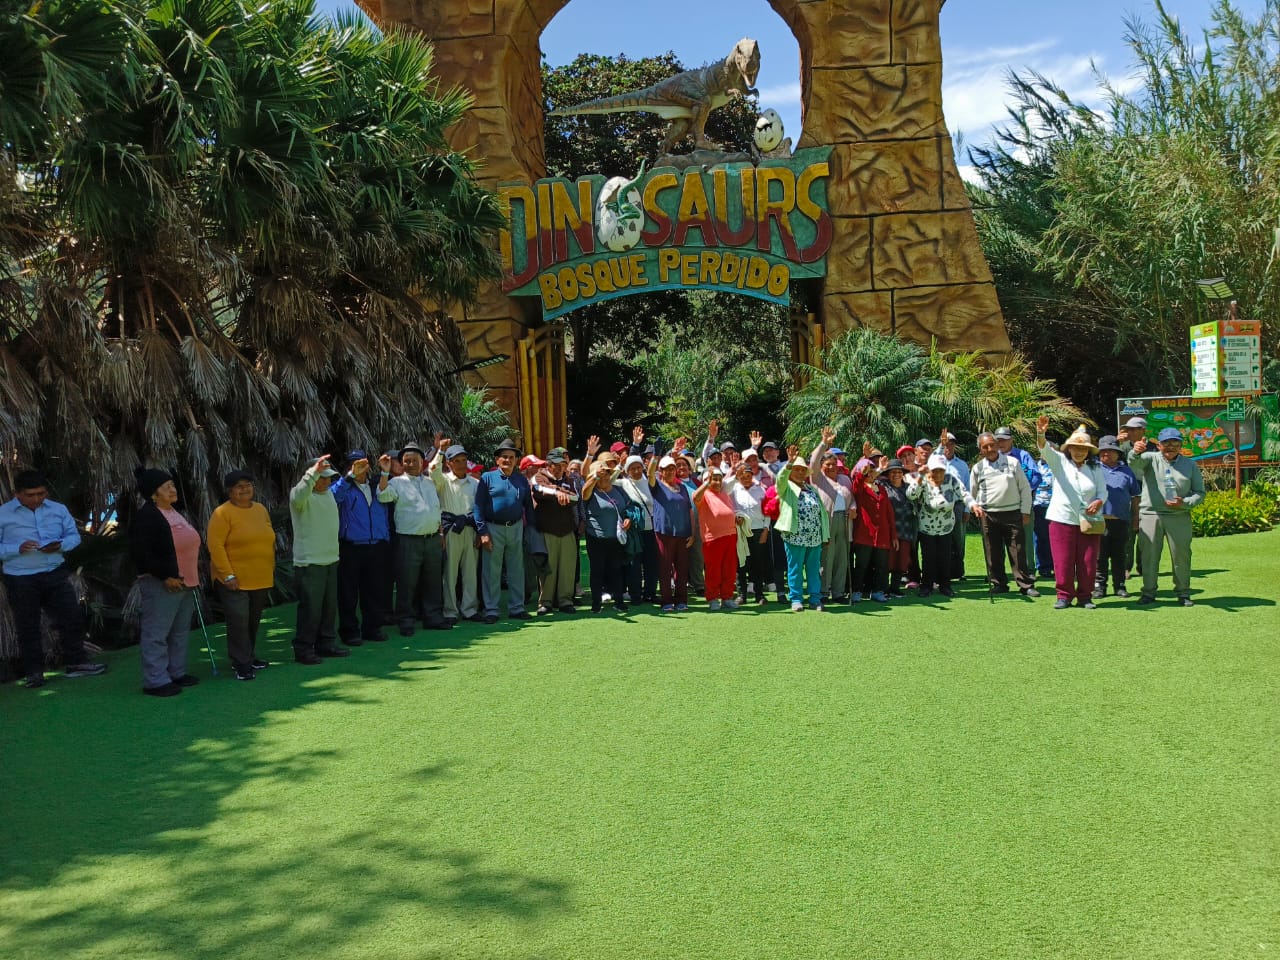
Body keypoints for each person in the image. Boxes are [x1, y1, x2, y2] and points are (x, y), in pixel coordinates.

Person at [129, 468, 199, 695]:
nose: (173, 489)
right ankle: (156, 680)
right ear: (153, 493)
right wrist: (165, 575)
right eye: (166, 487)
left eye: (172, 485)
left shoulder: (174, 511)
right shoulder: (147, 516)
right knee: (156, 633)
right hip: (161, 582)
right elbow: (141, 554)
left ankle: (176, 672)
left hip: (186, 581)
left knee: (179, 631)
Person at [207, 469, 276, 680]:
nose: (245, 489)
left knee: (252, 620)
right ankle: (241, 663)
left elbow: (268, 537)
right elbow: (215, 546)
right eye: (239, 486)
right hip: (233, 580)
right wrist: (227, 575)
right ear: (230, 491)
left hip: (260, 576)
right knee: (238, 620)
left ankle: (248, 656)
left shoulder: (261, 509)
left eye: (248, 485)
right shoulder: (222, 513)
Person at [1035, 417, 1107, 609]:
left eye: (1083, 448)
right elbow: (1044, 448)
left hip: (1089, 521)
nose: (1079, 451)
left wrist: (1099, 501)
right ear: (1069, 449)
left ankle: (1085, 597)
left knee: (1088, 561)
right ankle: (1064, 596)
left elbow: (1103, 492)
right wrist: (1041, 433)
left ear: (1088, 451)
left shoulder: (1095, 468)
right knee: (1063, 560)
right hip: (1061, 519)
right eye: (1075, 447)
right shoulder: (1059, 462)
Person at [1128, 427, 1205, 606]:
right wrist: (1135, 452)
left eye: (1175, 442)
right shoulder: (1150, 458)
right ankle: (1148, 592)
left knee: (1181, 555)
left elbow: (1200, 493)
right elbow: (1134, 464)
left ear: (1181, 445)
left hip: (1179, 515)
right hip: (1151, 514)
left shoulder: (1190, 464)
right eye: (1166, 443)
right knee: (1149, 555)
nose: (1170, 446)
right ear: (1159, 445)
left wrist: (1184, 502)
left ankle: (1183, 593)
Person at [377, 442, 446, 634]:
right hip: (408, 541)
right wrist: (384, 472)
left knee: (433, 581)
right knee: (407, 582)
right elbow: (382, 496)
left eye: (415, 460)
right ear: (402, 463)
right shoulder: (396, 483)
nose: (411, 464)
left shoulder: (430, 482)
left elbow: (436, 509)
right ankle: (406, 621)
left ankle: (433, 617)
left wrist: (441, 533)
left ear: (422, 462)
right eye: (407, 461)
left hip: (432, 539)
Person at [288, 456, 349, 664]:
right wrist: (312, 473)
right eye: (321, 477)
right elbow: (300, 493)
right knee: (310, 609)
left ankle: (326, 644)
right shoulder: (299, 496)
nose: (326, 481)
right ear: (311, 476)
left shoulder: (328, 494)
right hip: (309, 563)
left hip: (331, 560)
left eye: (328, 478)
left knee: (329, 607)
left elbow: (341, 487)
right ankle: (304, 648)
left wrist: (352, 475)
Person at [969, 431, 1038, 597]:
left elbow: (1025, 488)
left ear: (997, 445)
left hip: (1012, 512)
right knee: (992, 551)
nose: (990, 449)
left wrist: (1025, 511)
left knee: (1018, 550)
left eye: (992, 445)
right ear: (980, 450)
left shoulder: (1013, 463)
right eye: (985, 447)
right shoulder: (978, 468)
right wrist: (974, 506)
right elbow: (971, 493)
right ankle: (999, 583)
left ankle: (1025, 585)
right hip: (988, 515)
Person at [331, 451, 390, 645]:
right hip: (351, 547)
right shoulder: (343, 486)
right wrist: (349, 477)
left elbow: (386, 503)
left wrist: (385, 538)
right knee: (348, 592)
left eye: (361, 464)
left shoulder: (376, 486)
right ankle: (349, 632)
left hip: (376, 546)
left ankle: (372, 628)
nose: (358, 468)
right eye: (352, 464)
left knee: (374, 590)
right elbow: (332, 498)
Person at [474, 439, 535, 623]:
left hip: (516, 527)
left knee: (517, 569)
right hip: (493, 528)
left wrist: (531, 529)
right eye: (504, 457)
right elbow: (478, 507)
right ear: (497, 460)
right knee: (491, 571)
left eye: (511, 457)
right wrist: (483, 532)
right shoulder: (487, 478)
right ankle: (491, 610)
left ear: (516, 460)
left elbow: (528, 507)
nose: (508, 460)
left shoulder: (521, 479)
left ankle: (517, 608)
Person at [907, 454, 974, 598]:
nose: (938, 474)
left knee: (945, 557)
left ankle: (945, 586)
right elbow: (910, 495)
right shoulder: (923, 479)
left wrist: (973, 505)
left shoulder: (951, 480)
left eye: (941, 470)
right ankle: (926, 586)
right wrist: (920, 477)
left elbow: (964, 494)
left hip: (946, 526)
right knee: (928, 558)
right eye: (934, 470)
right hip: (926, 527)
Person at [431, 441, 481, 625]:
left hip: (470, 529)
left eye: (463, 460)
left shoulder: (475, 483)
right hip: (451, 530)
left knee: (470, 573)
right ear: (449, 463)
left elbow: (480, 510)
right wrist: (440, 451)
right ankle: (450, 611)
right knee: (450, 573)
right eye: (456, 461)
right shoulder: (443, 481)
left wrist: (480, 532)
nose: (461, 464)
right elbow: (433, 471)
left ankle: (470, 609)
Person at [774, 446, 828, 612]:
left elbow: (821, 513)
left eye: (802, 470)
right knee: (795, 569)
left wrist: (824, 534)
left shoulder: (811, 489)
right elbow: (780, 479)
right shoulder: (786, 487)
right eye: (796, 469)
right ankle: (796, 599)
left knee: (813, 571)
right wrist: (789, 463)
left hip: (814, 538)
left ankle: (815, 599)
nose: (799, 472)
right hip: (794, 536)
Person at [531, 446, 580, 615]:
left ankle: (565, 601)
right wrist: (558, 492)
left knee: (567, 568)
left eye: (563, 465)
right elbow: (539, 490)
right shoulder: (539, 477)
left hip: (567, 530)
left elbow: (575, 497)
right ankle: (545, 602)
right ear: (548, 464)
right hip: (547, 531)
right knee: (548, 568)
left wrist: (560, 492)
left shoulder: (569, 480)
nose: (560, 468)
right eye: (556, 465)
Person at [1094, 436, 1142, 600]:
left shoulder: (1126, 471)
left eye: (1110, 450)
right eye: (1103, 451)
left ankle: (1119, 586)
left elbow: (1135, 497)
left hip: (1121, 521)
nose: (1106, 453)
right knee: (1099, 556)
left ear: (1117, 453)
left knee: (1119, 555)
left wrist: (1136, 518)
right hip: (1098, 521)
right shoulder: (1093, 469)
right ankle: (1100, 587)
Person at [581, 459, 630, 613]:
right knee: (597, 571)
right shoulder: (591, 491)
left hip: (615, 538)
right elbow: (584, 494)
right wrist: (595, 476)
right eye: (601, 475)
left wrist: (628, 518)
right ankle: (596, 603)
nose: (605, 477)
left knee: (616, 570)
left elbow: (628, 508)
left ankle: (619, 601)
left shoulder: (619, 490)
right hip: (596, 538)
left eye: (607, 474)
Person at [647, 452, 694, 612]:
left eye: (672, 468)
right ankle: (667, 601)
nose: (670, 471)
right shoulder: (657, 486)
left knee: (682, 569)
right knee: (665, 568)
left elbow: (689, 511)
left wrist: (693, 533)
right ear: (661, 471)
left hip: (683, 533)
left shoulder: (682, 488)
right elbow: (650, 474)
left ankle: (681, 600)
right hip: (664, 533)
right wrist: (655, 458)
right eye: (666, 469)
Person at [809, 429, 852, 603]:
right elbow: (813, 461)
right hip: (827, 521)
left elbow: (852, 498)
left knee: (842, 558)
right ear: (821, 466)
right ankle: (823, 592)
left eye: (834, 464)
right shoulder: (817, 478)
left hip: (845, 521)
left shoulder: (845, 479)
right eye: (828, 464)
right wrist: (824, 443)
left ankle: (838, 592)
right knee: (827, 557)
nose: (832, 467)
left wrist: (853, 507)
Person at [848, 448, 894, 603]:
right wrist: (863, 467)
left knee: (881, 565)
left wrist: (893, 535)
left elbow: (889, 513)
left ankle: (878, 591)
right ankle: (857, 591)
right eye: (867, 472)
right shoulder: (859, 488)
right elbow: (857, 483)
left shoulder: (881, 488)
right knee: (862, 565)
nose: (870, 473)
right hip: (864, 534)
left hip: (882, 535)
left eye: (872, 471)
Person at [692, 467, 740, 611]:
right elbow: (695, 497)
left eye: (720, 479)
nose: (718, 482)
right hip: (713, 538)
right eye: (714, 479)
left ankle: (727, 597)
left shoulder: (724, 494)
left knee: (729, 569)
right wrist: (707, 483)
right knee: (714, 570)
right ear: (707, 480)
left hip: (730, 536)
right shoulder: (704, 494)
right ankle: (713, 598)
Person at [617, 447, 658, 604]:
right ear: (627, 471)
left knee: (651, 564)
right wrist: (619, 466)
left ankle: (650, 593)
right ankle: (635, 595)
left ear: (643, 467)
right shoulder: (623, 483)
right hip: (634, 530)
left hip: (652, 529)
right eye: (632, 468)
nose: (636, 471)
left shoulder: (649, 481)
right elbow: (609, 480)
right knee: (634, 564)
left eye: (638, 467)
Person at [728, 460, 770, 604]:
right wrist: (735, 517)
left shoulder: (761, 490)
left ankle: (759, 595)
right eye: (742, 476)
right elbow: (729, 506)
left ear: (752, 476)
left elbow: (767, 511)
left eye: (748, 476)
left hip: (758, 530)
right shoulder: (733, 489)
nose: (746, 479)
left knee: (758, 564)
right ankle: (742, 595)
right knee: (741, 564)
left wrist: (766, 529)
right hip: (740, 531)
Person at [879, 459, 916, 597]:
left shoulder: (909, 488)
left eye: (899, 472)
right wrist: (879, 468)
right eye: (893, 472)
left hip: (906, 529)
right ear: (888, 474)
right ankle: (883, 589)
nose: (896, 474)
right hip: (888, 530)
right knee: (886, 561)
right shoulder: (883, 486)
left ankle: (895, 588)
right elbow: (870, 480)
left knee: (901, 561)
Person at [939, 430, 971, 578]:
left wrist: (967, 510)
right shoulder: (935, 462)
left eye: (951, 443)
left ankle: (959, 571)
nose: (948, 446)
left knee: (959, 539)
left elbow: (968, 487)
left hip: (958, 505)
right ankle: (941, 570)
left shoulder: (962, 465)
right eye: (945, 443)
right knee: (940, 539)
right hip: (939, 506)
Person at [1032, 452, 1055, 581]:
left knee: (1056, 538)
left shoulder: (1058, 466)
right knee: (1041, 538)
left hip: (1056, 506)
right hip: (1039, 505)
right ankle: (1044, 567)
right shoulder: (1035, 467)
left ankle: (1057, 565)